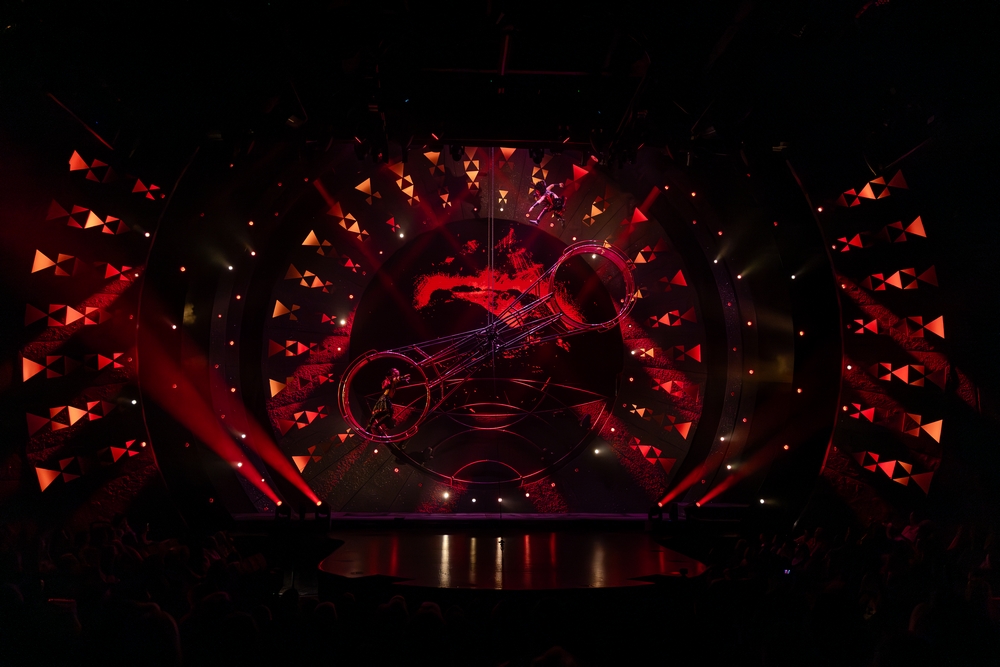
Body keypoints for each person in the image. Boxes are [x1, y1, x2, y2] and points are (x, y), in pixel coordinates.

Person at [367, 368, 410, 433]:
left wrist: (404, 379)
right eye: (396, 373)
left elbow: (397, 380)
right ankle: (375, 426)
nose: (397, 374)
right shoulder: (390, 380)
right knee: (388, 413)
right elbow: (397, 379)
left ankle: (370, 427)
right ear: (393, 374)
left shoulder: (389, 380)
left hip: (384, 397)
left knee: (380, 413)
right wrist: (404, 377)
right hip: (385, 398)